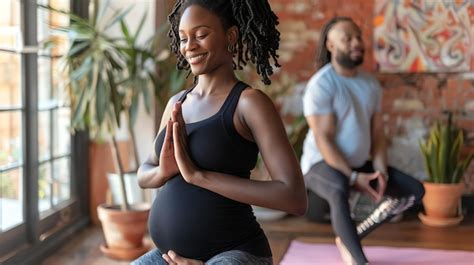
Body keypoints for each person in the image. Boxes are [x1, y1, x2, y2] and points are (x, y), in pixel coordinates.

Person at [133, 1, 307, 264]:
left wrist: (198, 176)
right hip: (168, 256)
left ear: (231, 35)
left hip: (236, 253)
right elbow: (144, 173)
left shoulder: (249, 103)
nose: (189, 46)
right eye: (183, 38)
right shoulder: (176, 103)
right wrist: (163, 172)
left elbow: (294, 197)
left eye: (201, 35)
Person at [300, 16, 425, 265]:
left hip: (359, 165)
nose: (357, 42)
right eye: (348, 39)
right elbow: (324, 140)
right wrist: (354, 178)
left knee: (413, 192)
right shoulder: (322, 84)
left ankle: (349, 237)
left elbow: (378, 134)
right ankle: (359, 260)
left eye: (358, 37)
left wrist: (380, 172)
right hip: (321, 164)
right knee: (338, 188)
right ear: (331, 46)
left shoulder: (370, 84)